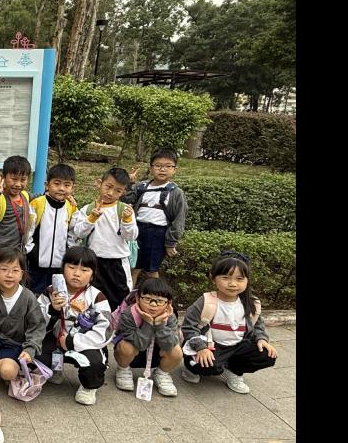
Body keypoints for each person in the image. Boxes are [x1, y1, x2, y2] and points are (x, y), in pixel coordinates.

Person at [179, 252, 277, 394]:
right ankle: (191, 368)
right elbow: (189, 326)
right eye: (225, 278)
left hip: (238, 346)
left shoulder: (250, 303)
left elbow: (257, 324)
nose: (232, 284)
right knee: (206, 366)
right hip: (211, 345)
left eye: (240, 279)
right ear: (213, 278)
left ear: (247, 280)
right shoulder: (206, 301)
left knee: (266, 355)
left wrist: (261, 339)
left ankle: (234, 371)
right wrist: (201, 348)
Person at [37, 247, 113, 405]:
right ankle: (55, 368)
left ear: (92, 273)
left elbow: (105, 331)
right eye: (71, 267)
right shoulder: (51, 291)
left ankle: (88, 387)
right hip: (55, 339)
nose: (77, 273)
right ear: (63, 268)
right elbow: (35, 321)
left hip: (83, 342)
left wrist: (72, 341)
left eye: (84, 270)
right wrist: (52, 310)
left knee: (94, 362)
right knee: (34, 353)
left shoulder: (97, 297)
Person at [71, 167, 138, 310]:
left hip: (118, 262)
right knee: (92, 298)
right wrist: (92, 218)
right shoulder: (87, 209)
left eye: (117, 190)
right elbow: (79, 232)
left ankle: (117, 323)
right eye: (108, 186)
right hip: (94, 262)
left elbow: (131, 236)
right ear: (99, 183)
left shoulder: (124, 210)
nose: (110, 193)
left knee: (120, 299)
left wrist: (127, 220)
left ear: (123, 192)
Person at [0, 247, 47, 384]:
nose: (9, 275)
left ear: (22, 274)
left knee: (7, 372)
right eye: (4, 269)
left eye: (15, 270)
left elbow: (37, 326)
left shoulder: (28, 297)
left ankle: (12, 368)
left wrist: (30, 348)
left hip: (15, 342)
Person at [121, 147, 188, 286]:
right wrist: (130, 184)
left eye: (168, 166)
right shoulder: (141, 186)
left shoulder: (176, 192)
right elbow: (125, 201)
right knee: (133, 268)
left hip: (158, 234)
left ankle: (156, 295)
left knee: (152, 271)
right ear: (151, 168)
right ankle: (127, 297)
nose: (162, 169)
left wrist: (171, 242)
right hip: (137, 231)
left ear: (174, 169)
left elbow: (179, 219)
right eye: (158, 165)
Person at [112, 277, 181, 397]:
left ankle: (162, 373)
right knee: (125, 346)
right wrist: (148, 323)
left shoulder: (170, 316)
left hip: (158, 351)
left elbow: (169, 344)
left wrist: (159, 324)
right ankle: (123, 370)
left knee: (176, 351)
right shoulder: (129, 314)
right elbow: (139, 344)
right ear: (138, 298)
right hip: (135, 350)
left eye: (160, 301)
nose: (153, 305)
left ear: (168, 303)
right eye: (147, 299)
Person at [25, 163, 78, 295]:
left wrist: (69, 252)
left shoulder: (71, 207)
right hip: (36, 264)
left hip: (60, 266)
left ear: (72, 188)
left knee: (56, 296)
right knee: (34, 295)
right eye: (57, 183)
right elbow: (28, 230)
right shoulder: (37, 204)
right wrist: (31, 251)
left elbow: (73, 232)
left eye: (67, 185)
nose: (61, 188)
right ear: (47, 185)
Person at [0, 156, 33, 272]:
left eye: (23, 180)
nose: (18, 184)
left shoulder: (26, 196)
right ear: (3, 177)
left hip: (17, 254)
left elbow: (42, 198)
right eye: (14, 179)